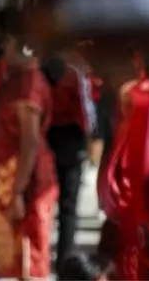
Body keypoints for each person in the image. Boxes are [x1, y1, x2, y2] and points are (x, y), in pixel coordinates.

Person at [0, 7, 58, 279]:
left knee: (28, 257)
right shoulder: (17, 78)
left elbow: (30, 143)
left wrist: (19, 190)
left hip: (27, 179)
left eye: (5, 40)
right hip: (12, 175)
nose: (1, 46)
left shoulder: (27, 83)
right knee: (14, 258)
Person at [45, 49, 96, 275]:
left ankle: (39, 256)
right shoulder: (74, 72)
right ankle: (64, 264)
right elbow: (85, 109)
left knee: (41, 201)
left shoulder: (41, 71)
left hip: (45, 137)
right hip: (71, 139)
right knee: (69, 206)